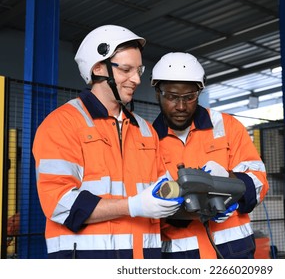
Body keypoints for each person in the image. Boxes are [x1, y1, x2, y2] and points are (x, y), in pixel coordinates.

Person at [32, 25, 181, 259]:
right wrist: (132, 206)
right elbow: (59, 202)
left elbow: (162, 192)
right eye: (126, 69)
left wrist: (201, 194)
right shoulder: (62, 124)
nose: (137, 79)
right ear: (98, 68)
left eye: (139, 70)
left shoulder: (145, 130)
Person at [151, 52, 269, 259]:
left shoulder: (227, 126)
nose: (181, 106)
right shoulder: (148, 140)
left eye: (189, 97)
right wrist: (182, 210)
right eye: (171, 97)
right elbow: (147, 203)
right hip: (181, 257)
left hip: (233, 251)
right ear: (157, 94)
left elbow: (258, 180)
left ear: (199, 92)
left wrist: (227, 181)